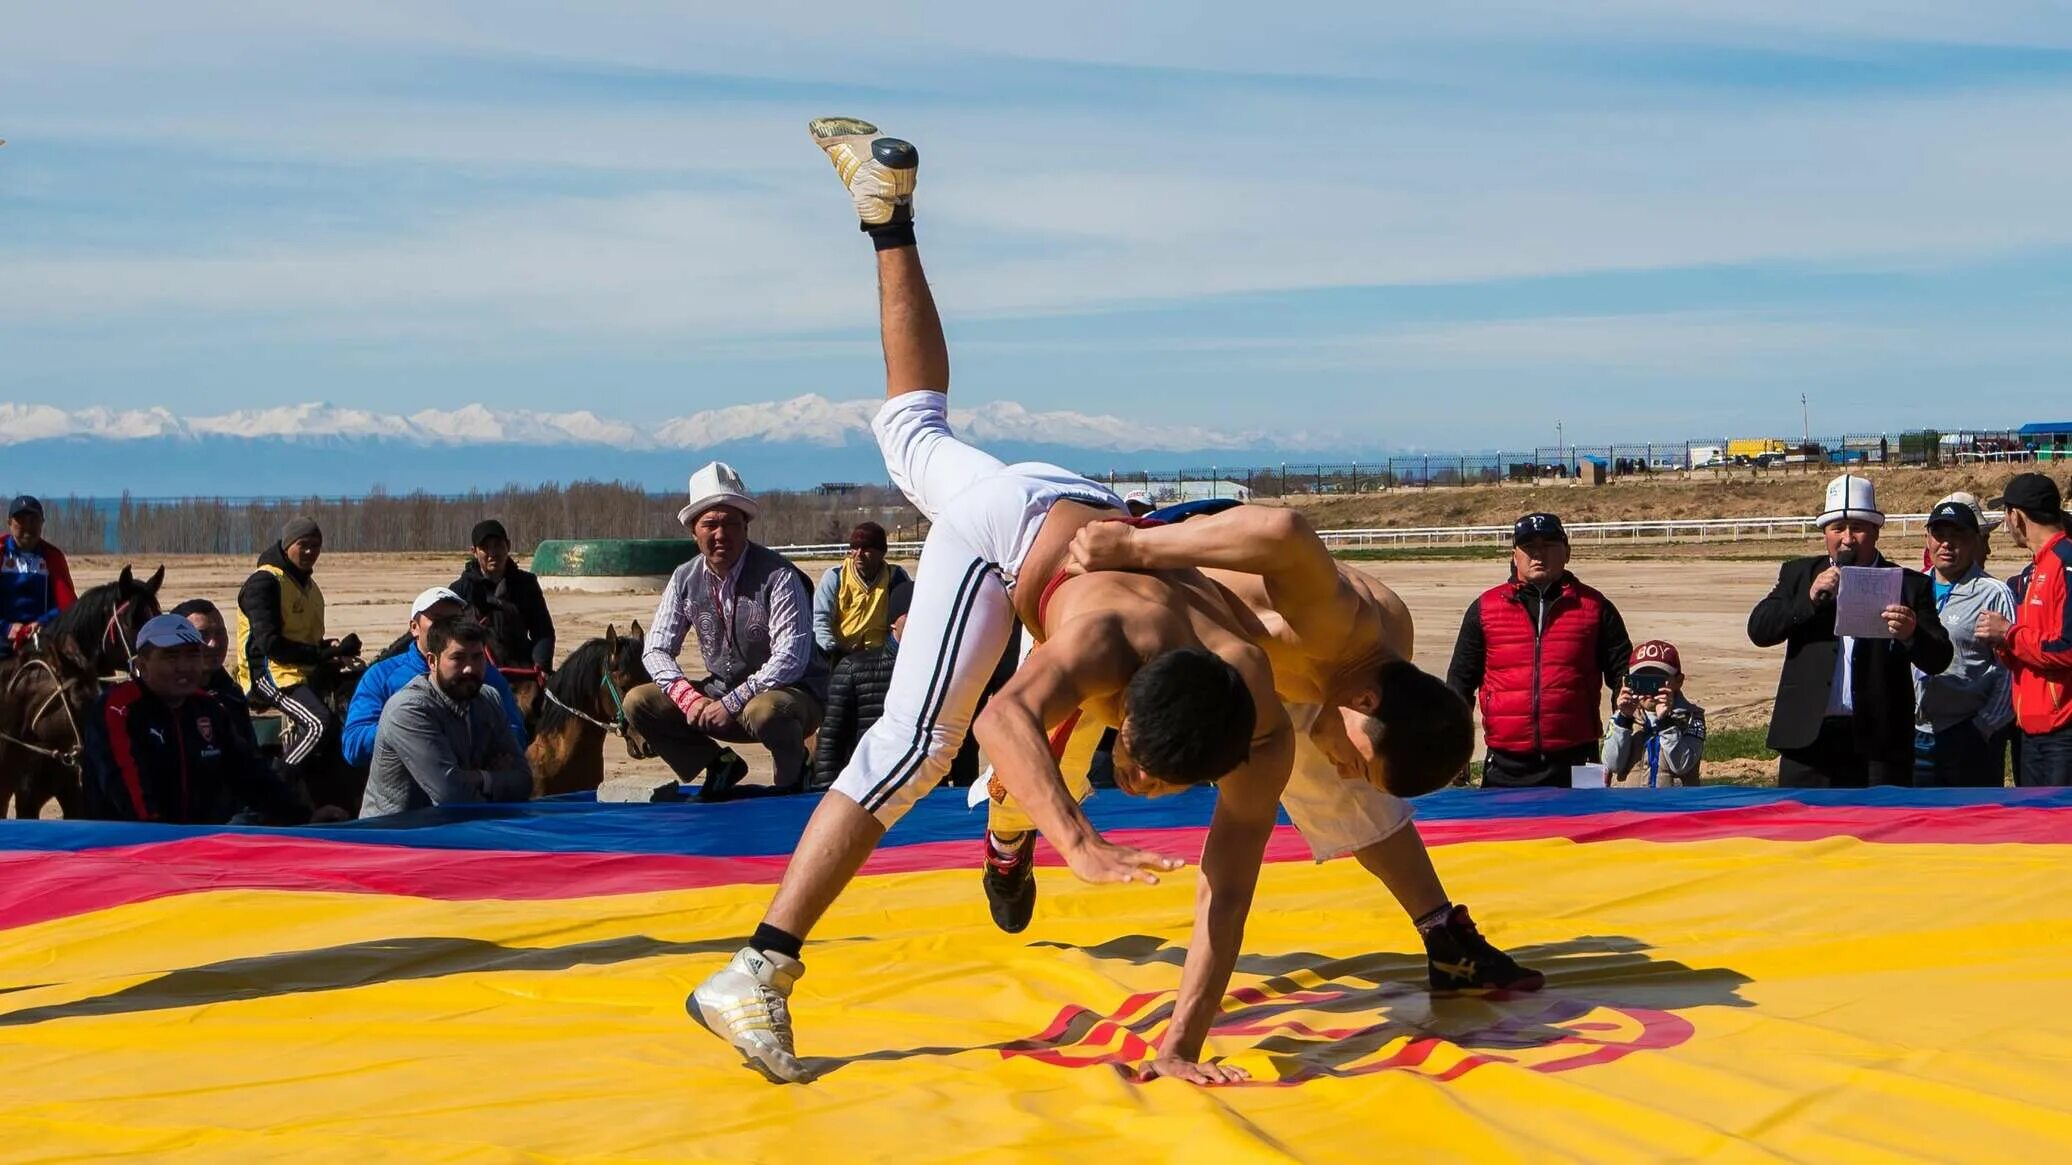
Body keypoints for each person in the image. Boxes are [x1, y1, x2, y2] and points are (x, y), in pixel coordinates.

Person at [689, 119, 1318, 1087]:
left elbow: (1226, 888)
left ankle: (885, 220)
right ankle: (756, 967)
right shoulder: (1107, 641)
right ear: (1128, 718)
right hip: (1007, 536)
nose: (1142, 793)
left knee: (909, 419)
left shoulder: (1253, 711)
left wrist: (1181, 1042)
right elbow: (1004, 712)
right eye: (1143, 778)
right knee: (917, 744)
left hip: (1062, 493)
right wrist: (1077, 837)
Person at [1055, 503, 1530, 996]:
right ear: (1364, 699)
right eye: (1360, 766)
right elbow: (1283, 531)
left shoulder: (1373, 671)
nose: (1350, 771)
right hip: (1140, 583)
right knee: (1041, 782)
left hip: (1256, 662)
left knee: (1349, 784)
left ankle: (1441, 933)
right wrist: (1133, 546)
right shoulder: (1334, 624)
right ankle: (1009, 841)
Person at [627, 462, 831, 797]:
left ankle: (794, 775)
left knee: (764, 710)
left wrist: (732, 702)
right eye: (710, 524)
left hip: (792, 696)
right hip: (721, 694)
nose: (721, 534)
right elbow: (656, 649)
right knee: (639, 701)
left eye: (731, 524)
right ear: (694, 531)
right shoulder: (684, 578)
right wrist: (689, 699)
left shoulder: (778, 576)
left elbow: (791, 658)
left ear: (746, 528)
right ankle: (718, 764)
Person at [1748, 474, 1952, 787]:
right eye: (1837, 529)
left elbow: (1939, 658)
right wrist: (1808, 600)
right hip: (1809, 739)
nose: (1847, 539)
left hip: (1879, 743)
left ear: (1875, 531)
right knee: (1803, 830)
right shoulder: (1799, 575)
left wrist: (1912, 633)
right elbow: (1759, 630)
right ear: (1825, 533)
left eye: (1857, 528)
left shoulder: (1909, 584)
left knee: (1878, 831)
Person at [1446, 513, 1633, 788]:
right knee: (1504, 833)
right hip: (1505, 764)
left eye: (1548, 545)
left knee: (1588, 831)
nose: (1538, 554)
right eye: (1529, 547)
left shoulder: (1595, 608)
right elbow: (1459, 684)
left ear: (1567, 552)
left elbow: (1623, 676)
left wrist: (1623, 732)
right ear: (1514, 555)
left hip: (1580, 760)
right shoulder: (1485, 609)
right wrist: (1454, 749)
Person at [81, 614, 307, 825]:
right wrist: (163, 841)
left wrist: (306, 817)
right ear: (142, 666)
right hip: (127, 848)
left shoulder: (207, 708)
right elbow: (125, 790)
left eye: (192, 655)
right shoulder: (119, 708)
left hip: (197, 846)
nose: (184, 667)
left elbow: (250, 775)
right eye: (171, 656)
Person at [341, 586, 528, 770]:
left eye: (453, 620)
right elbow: (353, 745)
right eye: (437, 620)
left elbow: (515, 731)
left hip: (475, 787)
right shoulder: (381, 676)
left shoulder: (484, 674)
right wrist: (412, 730)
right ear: (414, 628)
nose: (445, 628)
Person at [362, 620, 533, 816]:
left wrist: (478, 778)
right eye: (458, 658)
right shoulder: (409, 710)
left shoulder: (488, 699)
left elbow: (524, 781)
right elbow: (451, 795)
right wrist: (494, 780)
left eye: (477, 658)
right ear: (432, 662)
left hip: (464, 829)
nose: (469, 669)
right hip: (397, 836)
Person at [235, 517, 351, 785]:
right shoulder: (264, 583)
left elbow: (304, 639)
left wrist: (331, 649)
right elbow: (270, 644)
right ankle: (277, 782)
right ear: (287, 545)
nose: (310, 552)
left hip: (301, 669)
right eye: (304, 544)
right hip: (269, 674)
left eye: (316, 546)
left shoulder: (308, 586)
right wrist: (319, 655)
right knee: (319, 724)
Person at [1973, 473, 2072, 785]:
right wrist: (2004, 645)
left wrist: (2009, 634)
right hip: (2031, 729)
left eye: (2005, 513)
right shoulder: (2036, 568)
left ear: (2015, 515)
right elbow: (2035, 645)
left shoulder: (2065, 562)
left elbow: (2067, 648)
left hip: (2062, 732)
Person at [1913, 499, 2016, 786]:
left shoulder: (1994, 594)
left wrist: (1983, 727)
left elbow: (2009, 671)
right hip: (1916, 734)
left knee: (1971, 827)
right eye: (1940, 535)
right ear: (1927, 540)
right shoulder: (1912, 587)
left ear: (1975, 542)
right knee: (1917, 826)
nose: (1947, 544)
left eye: (1957, 536)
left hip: (1967, 732)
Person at [812, 611, 909, 792]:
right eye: (908, 613)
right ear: (893, 622)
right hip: (865, 784)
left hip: (925, 790)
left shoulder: (942, 670)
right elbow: (832, 736)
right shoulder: (854, 668)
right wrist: (824, 789)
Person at [451, 519, 556, 672]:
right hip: (476, 673)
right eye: (485, 548)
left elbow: (543, 632)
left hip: (521, 672)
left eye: (498, 546)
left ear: (508, 545)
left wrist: (541, 667)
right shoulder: (460, 590)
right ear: (474, 551)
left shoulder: (526, 584)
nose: (493, 553)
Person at [1602, 640, 1707, 787]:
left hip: (1673, 805)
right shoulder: (1623, 717)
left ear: (1679, 681)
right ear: (1630, 682)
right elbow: (1613, 764)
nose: (1650, 689)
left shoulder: (1691, 718)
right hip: (1630, 804)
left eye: (1658, 681)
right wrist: (1623, 720)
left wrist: (1666, 723)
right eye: (1642, 681)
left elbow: (1682, 765)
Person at [811, 521, 912, 660]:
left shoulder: (895, 577)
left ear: (882, 552)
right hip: (842, 656)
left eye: (866, 549)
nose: (859, 554)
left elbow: (905, 621)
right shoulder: (835, 577)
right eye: (854, 548)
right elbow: (820, 619)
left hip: (884, 657)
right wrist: (831, 651)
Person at [171, 598, 256, 752]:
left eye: (220, 633)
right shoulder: (165, 701)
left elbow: (250, 755)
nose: (214, 644)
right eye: (202, 635)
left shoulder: (233, 696)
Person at [1, 495, 76, 661]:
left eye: (33, 520)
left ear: (42, 522)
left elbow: (65, 605)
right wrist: (7, 628)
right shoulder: (1, 555)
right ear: (9, 523)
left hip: (43, 636)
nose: (28, 527)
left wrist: (42, 623)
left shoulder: (52, 558)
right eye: (21, 520)